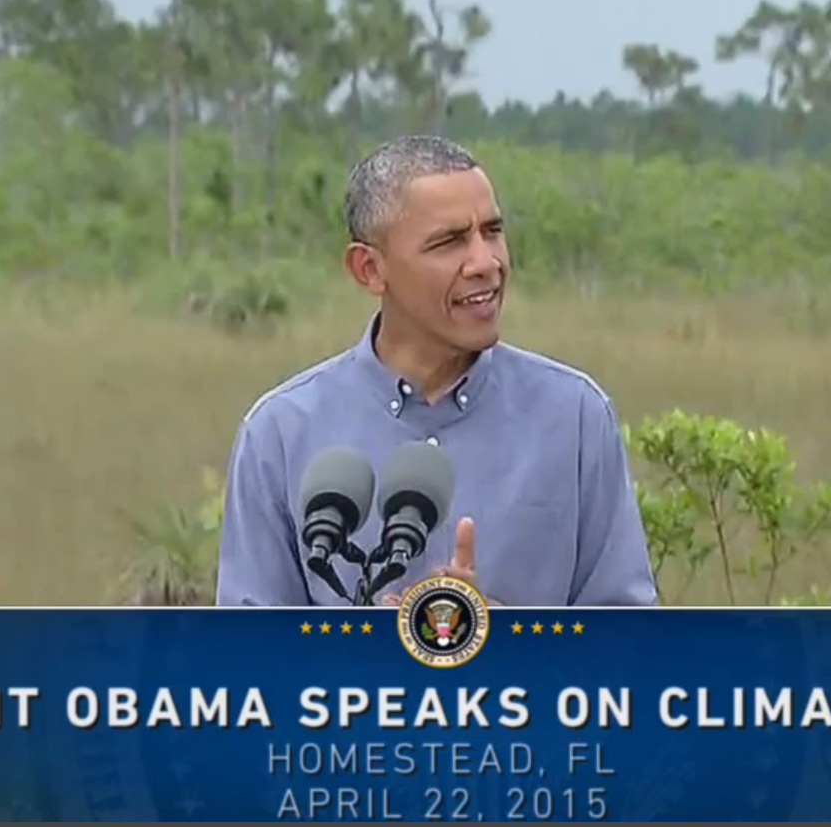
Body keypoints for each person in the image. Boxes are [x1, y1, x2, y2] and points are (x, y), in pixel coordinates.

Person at [214, 134, 658, 607]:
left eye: (492, 232)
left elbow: (627, 646)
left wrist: (512, 646)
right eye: (448, 242)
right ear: (369, 269)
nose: (486, 263)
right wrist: (359, 655)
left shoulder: (576, 418)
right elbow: (250, 661)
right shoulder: (280, 434)